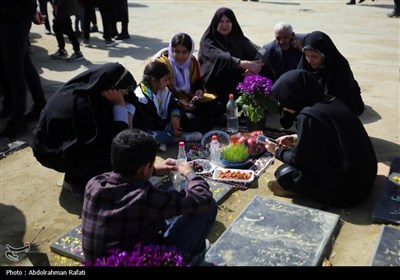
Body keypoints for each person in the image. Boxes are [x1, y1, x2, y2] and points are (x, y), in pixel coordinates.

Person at [82, 128, 217, 265]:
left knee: (161, 219)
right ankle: (191, 260)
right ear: (144, 168)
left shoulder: (94, 184)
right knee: (208, 207)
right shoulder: (144, 196)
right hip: (142, 261)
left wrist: (153, 170)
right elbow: (202, 197)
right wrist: (189, 173)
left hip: (107, 261)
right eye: (151, 165)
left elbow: (126, 176)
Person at [264, 69, 377, 207]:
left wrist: (276, 151)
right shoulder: (329, 100)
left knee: (284, 173)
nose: (284, 107)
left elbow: (301, 160)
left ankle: (307, 193)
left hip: (349, 193)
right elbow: (330, 137)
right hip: (366, 177)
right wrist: (295, 138)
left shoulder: (308, 116)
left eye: (284, 101)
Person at [32, 62, 137, 200]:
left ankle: (76, 174)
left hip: (62, 147)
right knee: (113, 151)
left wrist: (124, 107)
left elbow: (132, 100)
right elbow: (120, 140)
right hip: (52, 153)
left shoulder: (89, 89)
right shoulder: (84, 106)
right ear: (112, 88)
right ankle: (80, 182)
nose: (124, 95)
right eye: (121, 92)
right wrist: (120, 106)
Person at [198, 7, 267, 105]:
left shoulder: (236, 37)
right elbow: (219, 57)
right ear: (215, 22)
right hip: (216, 84)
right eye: (221, 21)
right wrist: (242, 63)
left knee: (266, 66)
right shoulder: (207, 41)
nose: (224, 25)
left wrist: (255, 66)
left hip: (237, 80)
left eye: (228, 21)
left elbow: (261, 50)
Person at [155, 32, 221, 132]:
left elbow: (198, 81)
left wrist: (198, 91)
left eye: (184, 52)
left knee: (218, 106)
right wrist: (179, 102)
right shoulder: (163, 65)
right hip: (171, 103)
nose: (180, 56)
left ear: (190, 52)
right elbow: (162, 92)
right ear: (171, 50)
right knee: (191, 121)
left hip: (189, 101)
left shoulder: (192, 61)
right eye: (176, 51)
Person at [132, 60, 203, 151]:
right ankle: (181, 138)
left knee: (189, 118)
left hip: (163, 123)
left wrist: (175, 115)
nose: (168, 83)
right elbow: (150, 124)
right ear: (154, 80)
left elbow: (172, 102)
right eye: (165, 80)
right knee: (150, 138)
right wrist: (169, 129)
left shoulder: (161, 89)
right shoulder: (141, 99)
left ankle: (167, 140)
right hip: (152, 128)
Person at [0, 1, 45, 138]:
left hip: (15, 19)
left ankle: (18, 120)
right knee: (24, 66)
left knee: (14, 70)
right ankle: (40, 105)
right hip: (8, 17)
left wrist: (32, 11)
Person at [297, 31, 364, 117]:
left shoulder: (339, 66)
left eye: (314, 56)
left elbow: (343, 96)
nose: (310, 61)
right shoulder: (305, 64)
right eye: (307, 56)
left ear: (324, 54)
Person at [261, 22, 307, 129]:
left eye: (285, 37)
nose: (281, 41)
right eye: (278, 38)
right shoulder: (269, 48)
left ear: (292, 35)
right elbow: (257, 63)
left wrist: (302, 49)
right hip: (282, 89)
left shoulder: (302, 44)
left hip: (302, 87)